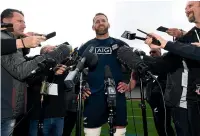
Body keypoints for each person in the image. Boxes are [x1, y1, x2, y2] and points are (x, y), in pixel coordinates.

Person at [1, 8, 69, 136]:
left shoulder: (8, 38)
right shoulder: (3, 38)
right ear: (5, 21)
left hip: (8, 111)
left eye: (24, 22)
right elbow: (21, 70)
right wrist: (54, 55)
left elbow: (22, 63)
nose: (24, 25)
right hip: (3, 111)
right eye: (19, 21)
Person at [144, 1, 200, 136]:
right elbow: (166, 63)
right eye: (185, 8)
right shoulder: (188, 36)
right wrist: (138, 58)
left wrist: (165, 43)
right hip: (188, 102)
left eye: (190, 6)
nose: (186, 10)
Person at [78, 13, 134, 136]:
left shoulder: (120, 44)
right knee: (91, 133)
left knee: (119, 133)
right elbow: (76, 69)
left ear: (108, 24)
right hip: (93, 96)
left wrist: (131, 84)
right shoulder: (87, 46)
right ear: (93, 27)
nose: (100, 23)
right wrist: (80, 87)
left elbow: (136, 64)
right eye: (97, 21)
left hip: (117, 95)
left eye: (103, 20)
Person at [27, 45, 67, 136]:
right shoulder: (36, 69)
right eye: (53, 50)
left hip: (58, 115)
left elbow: (69, 87)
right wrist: (52, 72)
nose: (56, 52)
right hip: (39, 116)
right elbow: (32, 82)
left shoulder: (62, 70)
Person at [145, 49, 175, 136]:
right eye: (150, 52)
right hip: (154, 102)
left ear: (160, 52)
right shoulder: (149, 67)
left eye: (154, 52)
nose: (151, 54)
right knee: (159, 126)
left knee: (165, 126)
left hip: (164, 100)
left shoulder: (165, 63)